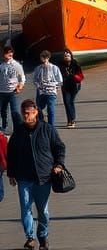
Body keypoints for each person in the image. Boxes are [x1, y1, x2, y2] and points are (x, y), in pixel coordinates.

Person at [6, 98, 66, 250]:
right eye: (23, 114)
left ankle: (43, 237)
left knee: (43, 211)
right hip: (24, 177)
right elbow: (11, 154)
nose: (25, 117)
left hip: (43, 177)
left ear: (35, 113)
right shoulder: (18, 133)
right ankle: (30, 237)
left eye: (28, 113)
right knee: (25, 208)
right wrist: (11, 174)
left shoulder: (47, 129)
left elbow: (59, 147)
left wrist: (59, 164)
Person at [32, 52, 62, 127]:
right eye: (42, 57)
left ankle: (51, 126)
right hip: (41, 91)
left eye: (46, 57)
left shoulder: (54, 68)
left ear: (48, 58)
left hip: (51, 92)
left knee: (51, 109)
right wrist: (38, 86)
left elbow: (60, 80)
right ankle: (41, 123)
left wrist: (56, 88)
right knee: (38, 108)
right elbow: (35, 80)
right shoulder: (38, 68)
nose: (44, 59)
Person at [0, 44, 25, 132]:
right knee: (3, 111)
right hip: (2, 92)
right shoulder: (1, 65)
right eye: (6, 53)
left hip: (13, 92)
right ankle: (4, 126)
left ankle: (17, 129)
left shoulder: (16, 65)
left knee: (15, 111)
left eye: (10, 53)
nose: (8, 55)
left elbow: (22, 77)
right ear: (3, 54)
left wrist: (20, 87)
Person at [57, 50, 83, 129]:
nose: (66, 57)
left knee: (71, 101)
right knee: (67, 103)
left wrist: (75, 76)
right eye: (65, 56)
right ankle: (70, 120)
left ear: (71, 56)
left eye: (68, 56)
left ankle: (72, 120)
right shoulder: (60, 65)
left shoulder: (75, 64)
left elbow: (81, 76)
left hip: (74, 85)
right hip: (65, 86)